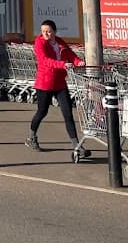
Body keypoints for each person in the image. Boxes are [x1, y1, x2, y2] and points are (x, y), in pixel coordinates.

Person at [24, 19, 88, 157]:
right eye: (43, 31)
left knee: (68, 113)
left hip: (59, 83)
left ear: (54, 31)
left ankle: (76, 145)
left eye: (48, 31)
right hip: (45, 83)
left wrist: (78, 62)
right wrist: (62, 64)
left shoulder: (59, 42)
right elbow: (44, 60)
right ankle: (31, 137)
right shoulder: (39, 43)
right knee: (42, 111)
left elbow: (70, 54)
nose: (45, 34)